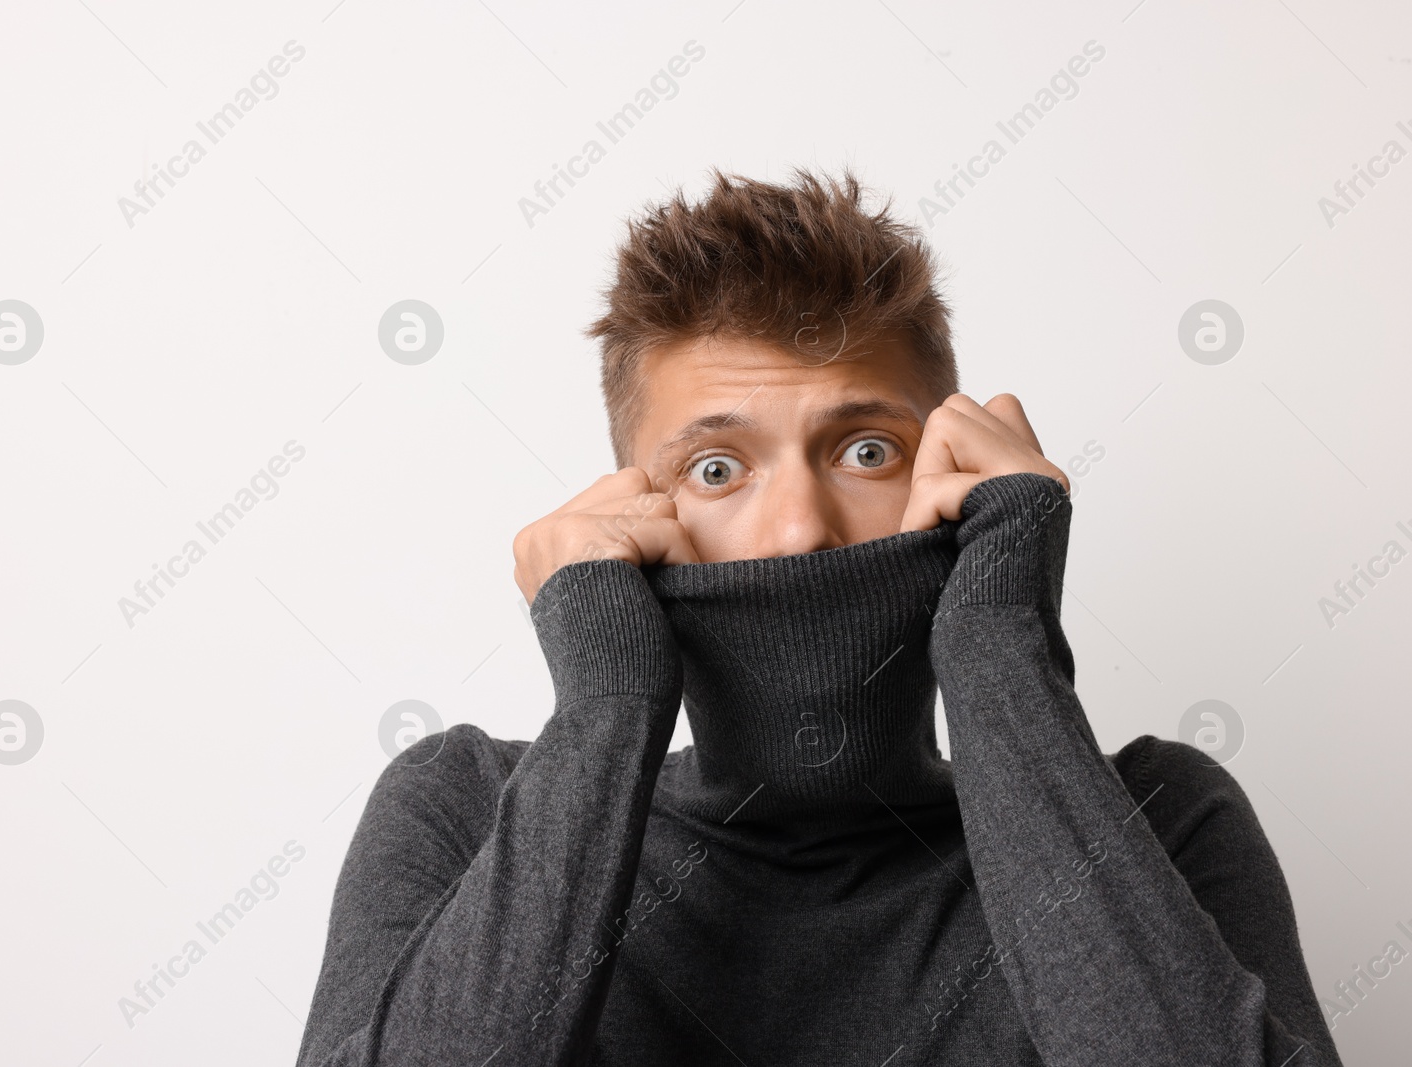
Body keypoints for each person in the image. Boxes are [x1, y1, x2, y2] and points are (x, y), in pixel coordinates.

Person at [294, 167, 1343, 1065]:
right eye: (716, 466)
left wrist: (1001, 653)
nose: (799, 528)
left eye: (864, 451)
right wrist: (604, 711)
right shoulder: (464, 808)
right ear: (624, 518)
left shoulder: (1161, 814)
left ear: (954, 476)